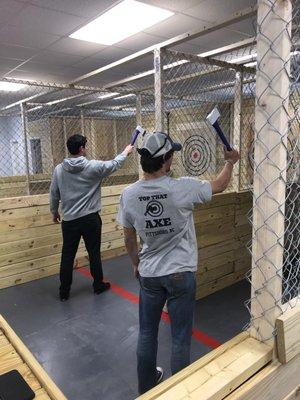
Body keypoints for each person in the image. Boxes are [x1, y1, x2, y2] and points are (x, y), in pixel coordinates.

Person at [117, 132, 239, 394]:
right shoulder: (183, 187)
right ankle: (178, 392)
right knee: (180, 338)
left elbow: (128, 238)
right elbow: (219, 184)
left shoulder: (129, 194)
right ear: (166, 159)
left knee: (147, 333)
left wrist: (136, 263)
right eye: (172, 154)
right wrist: (230, 162)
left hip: (149, 273)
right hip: (180, 274)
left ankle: (146, 388)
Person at [50, 134, 133, 302]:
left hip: (69, 221)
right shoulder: (93, 167)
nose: (86, 149)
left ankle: (64, 292)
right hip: (90, 219)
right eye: (85, 146)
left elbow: (54, 193)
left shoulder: (59, 169)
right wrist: (125, 152)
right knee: (94, 253)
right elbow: (115, 164)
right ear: (81, 149)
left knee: (67, 255)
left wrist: (54, 211)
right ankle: (98, 285)